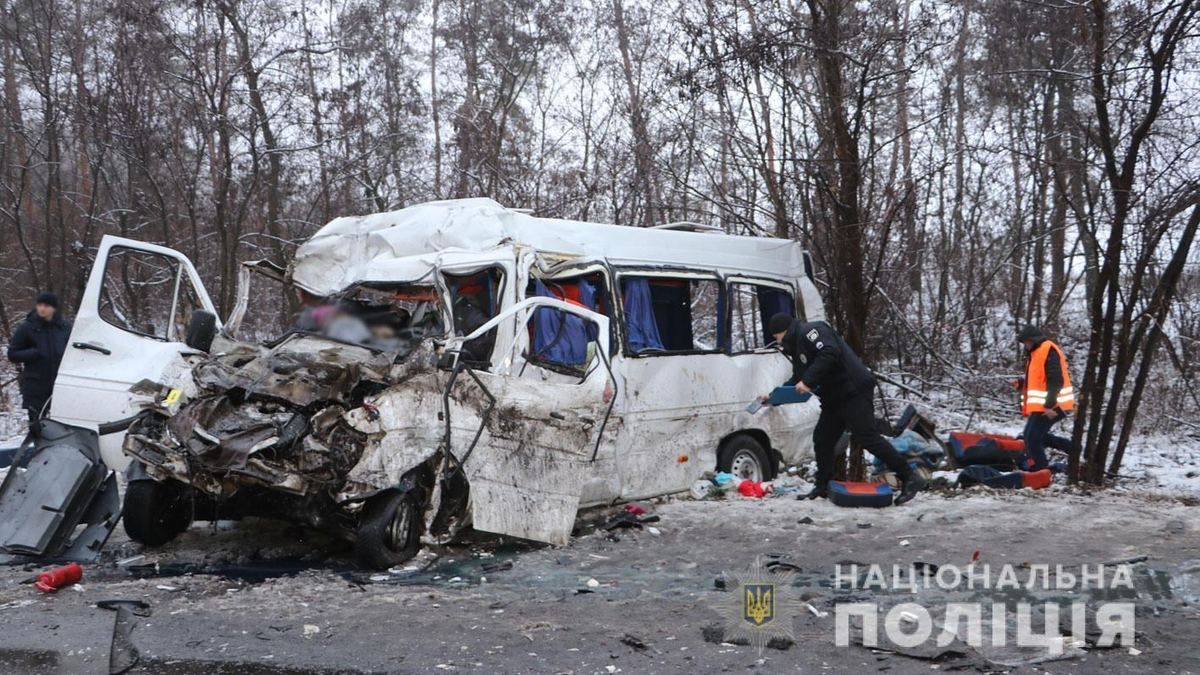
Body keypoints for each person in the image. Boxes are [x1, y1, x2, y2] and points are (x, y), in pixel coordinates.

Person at [765, 313, 926, 505]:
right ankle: (822, 486)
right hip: (834, 398)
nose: (778, 342)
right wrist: (774, 397)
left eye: (777, 337)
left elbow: (829, 353)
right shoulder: (798, 349)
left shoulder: (812, 331)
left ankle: (910, 477)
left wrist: (808, 381)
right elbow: (797, 380)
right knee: (822, 439)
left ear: (784, 331)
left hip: (853, 390)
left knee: (867, 437)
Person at [6, 291, 72, 423]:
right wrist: (34, 353)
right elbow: (12, 354)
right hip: (35, 384)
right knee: (36, 426)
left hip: (59, 384)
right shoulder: (27, 327)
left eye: (46, 305)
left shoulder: (64, 328)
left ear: (54, 308)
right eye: (40, 305)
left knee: (61, 424)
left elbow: (71, 352)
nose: (42, 308)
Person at [1017, 324, 1074, 470]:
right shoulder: (1036, 353)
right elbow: (1039, 380)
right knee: (1032, 436)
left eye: (1027, 342)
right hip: (1045, 405)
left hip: (1053, 405)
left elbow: (1056, 379)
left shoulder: (1047, 350)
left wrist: (1050, 404)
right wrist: (1022, 385)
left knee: (1032, 437)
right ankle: (1075, 450)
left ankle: (1040, 471)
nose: (1026, 346)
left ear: (1033, 339)